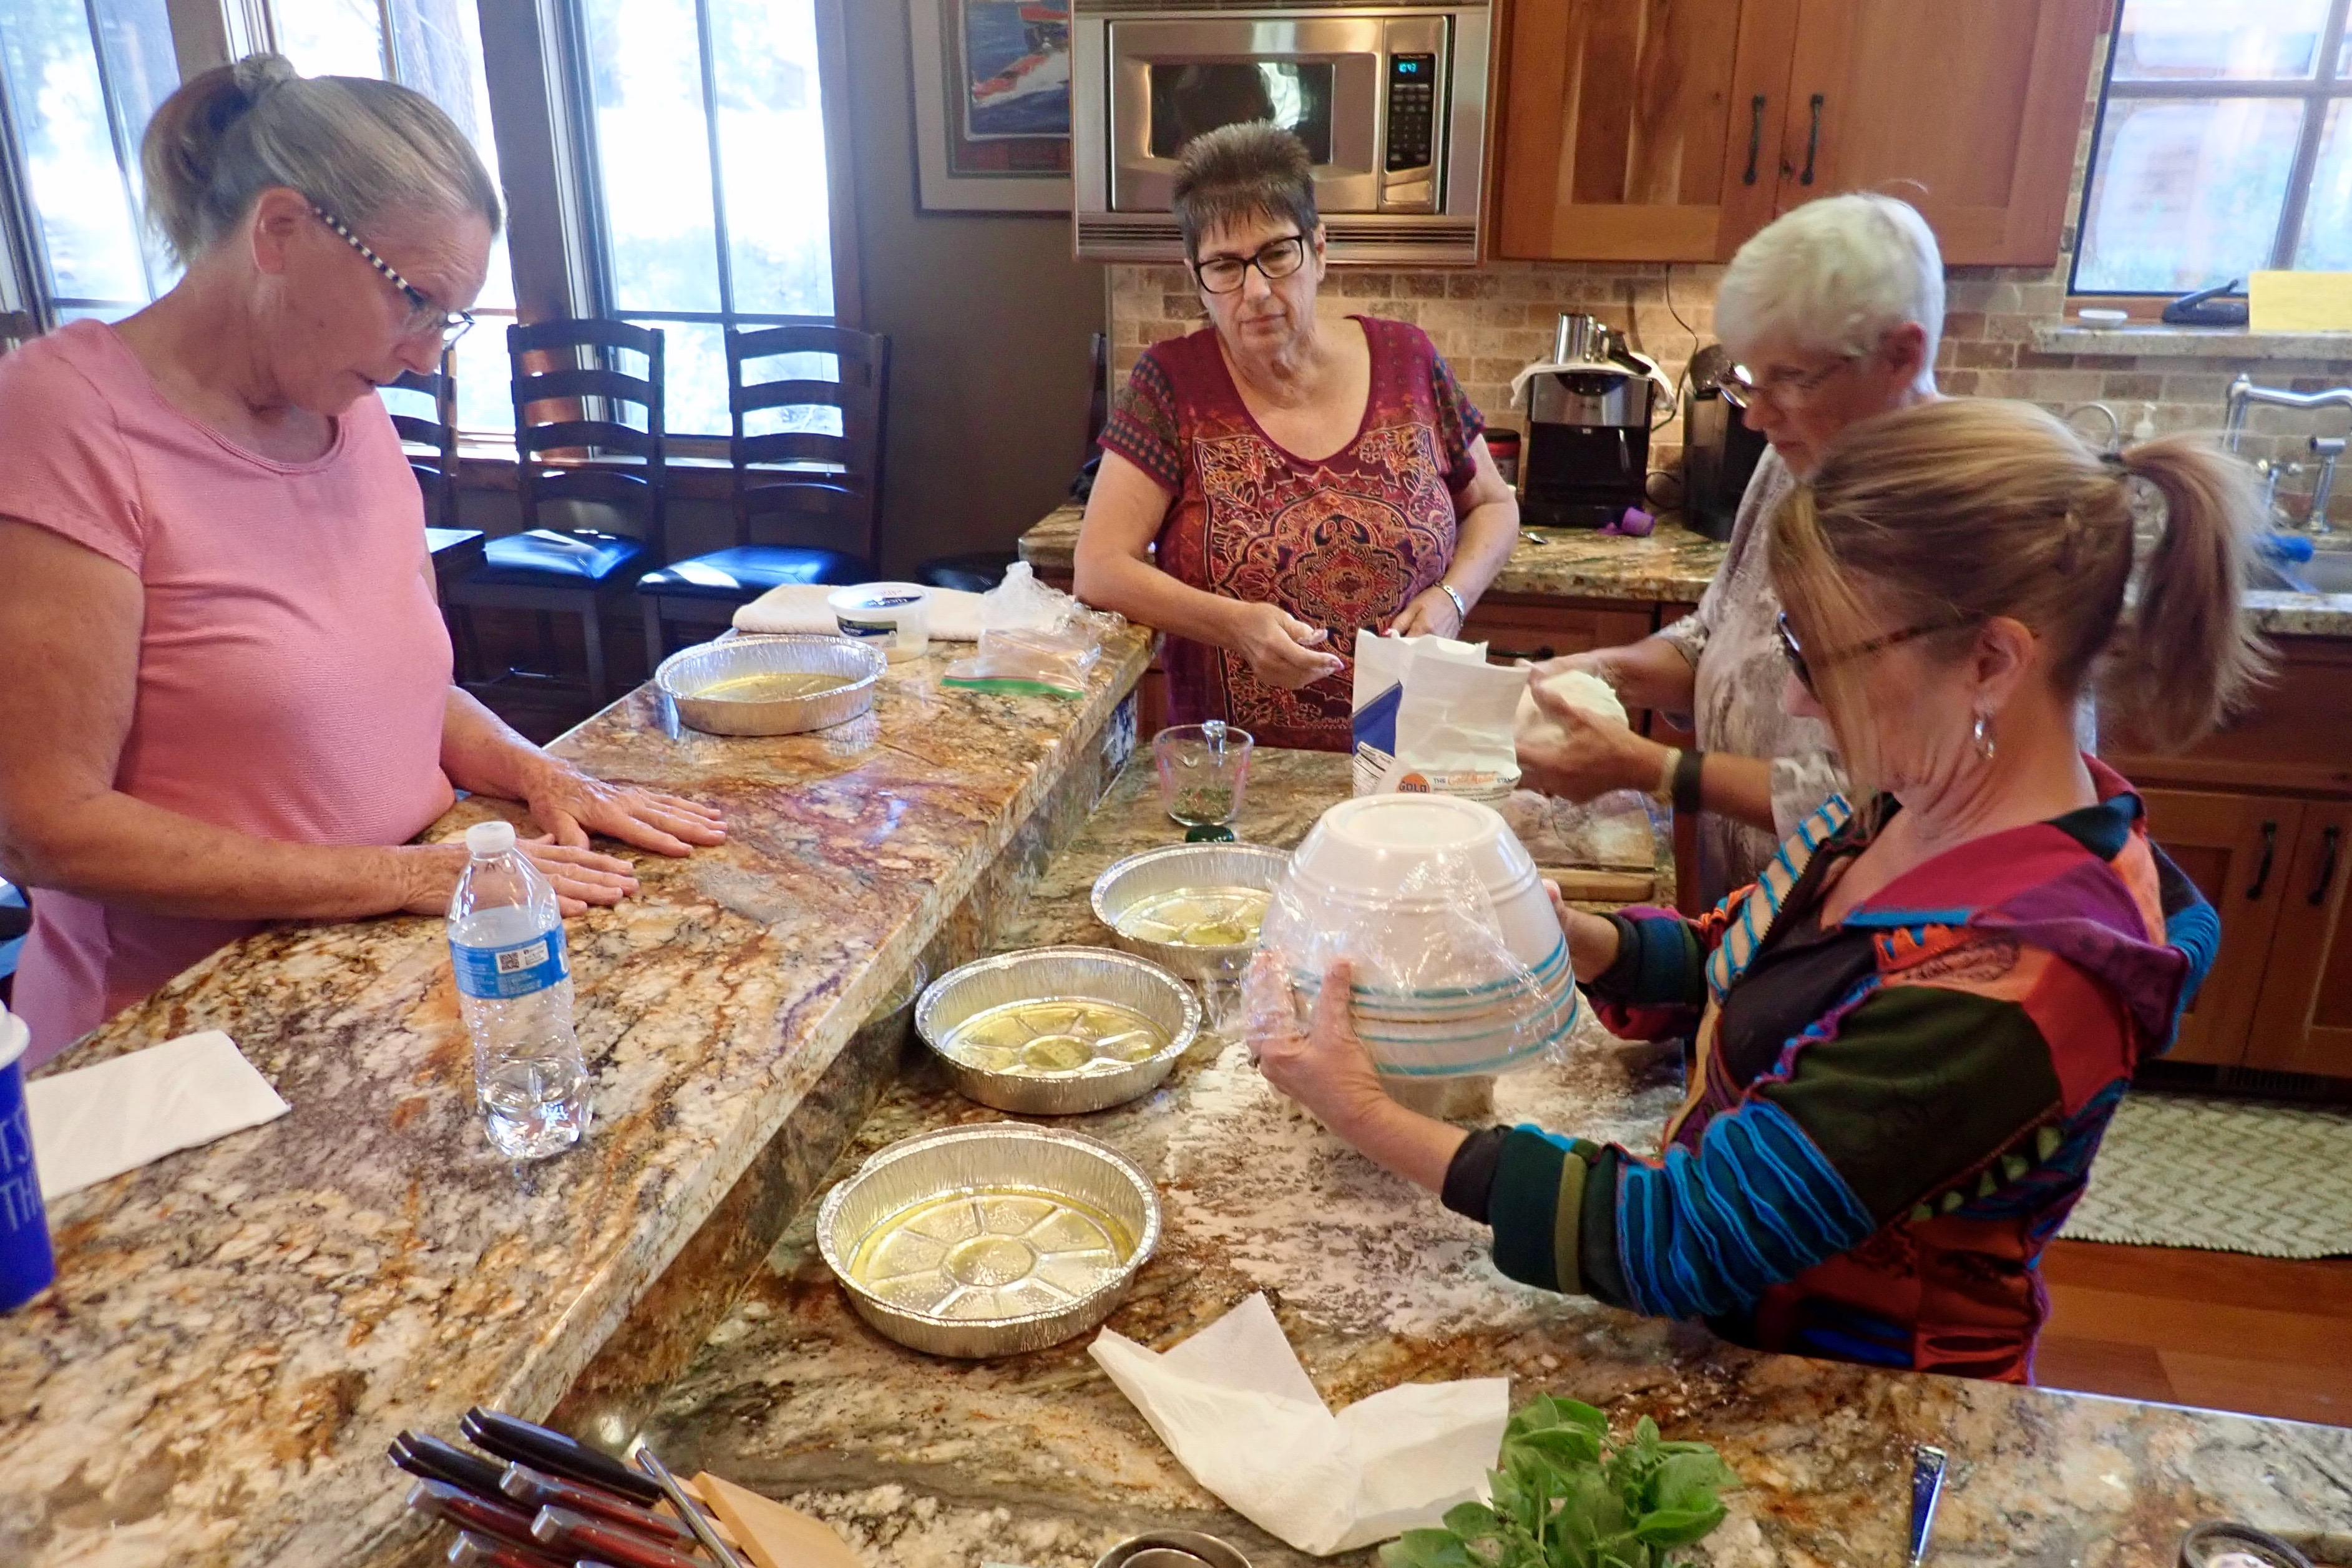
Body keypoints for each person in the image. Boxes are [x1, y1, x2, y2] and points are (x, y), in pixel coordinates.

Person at [1249, 398, 2265, 1383]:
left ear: (1990, 661)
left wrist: (1364, 1111)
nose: (1793, 698)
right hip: (1735, 1341)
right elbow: (1751, 955)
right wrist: (1581, 940)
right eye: (1790, 644)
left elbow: (1690, 1237)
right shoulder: (1910, 794)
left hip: (1860, 1397)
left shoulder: (2025, 979)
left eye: (1819, 657)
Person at [0, 56, 725, 1068]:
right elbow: (41, 826)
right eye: (416, 302)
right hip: (180, 1037)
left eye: (448, 318)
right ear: (281, 232)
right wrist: (400, 876)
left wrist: (538, 771)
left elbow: (400, 690)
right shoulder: (61, 419)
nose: (429, 354)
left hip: (382, 965)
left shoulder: (348, 405)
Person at [1518, 193, 1943, 906]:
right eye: (1750, 379)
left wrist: (1653, 768)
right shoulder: (1790, 461)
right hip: (1749, 912)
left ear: (1900, 356)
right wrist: (1604, 672)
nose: (1755, 415)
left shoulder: (1957, 525)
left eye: (1790, 379)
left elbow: (1889, 797)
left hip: (1858, 923)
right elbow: (1716, 630)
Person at [1073, 122, 1519, 751]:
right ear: (1195, 275)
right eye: (1224, 266)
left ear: (1319, 248)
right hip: (1237, 770)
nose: (1255, 291)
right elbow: (1099, 568)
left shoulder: (1409, 361)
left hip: (1409, 759)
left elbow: (1494, 504)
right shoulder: (1172, 384)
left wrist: (1453, 597)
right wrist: (1235, 625)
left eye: (1277, 255)